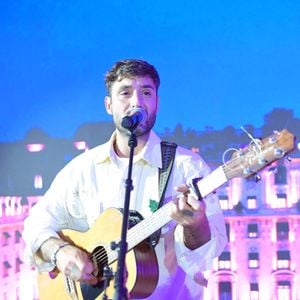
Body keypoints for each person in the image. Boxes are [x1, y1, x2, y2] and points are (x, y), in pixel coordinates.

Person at [23, 59, 227, 299]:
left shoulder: (187, 167)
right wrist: (59, 252)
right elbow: (35, 224)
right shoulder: (82, 169)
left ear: (157, 103)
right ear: (108, 105)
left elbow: (211, 249)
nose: (136, 102)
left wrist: (196, 224)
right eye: (125, 93)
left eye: (146, 92)